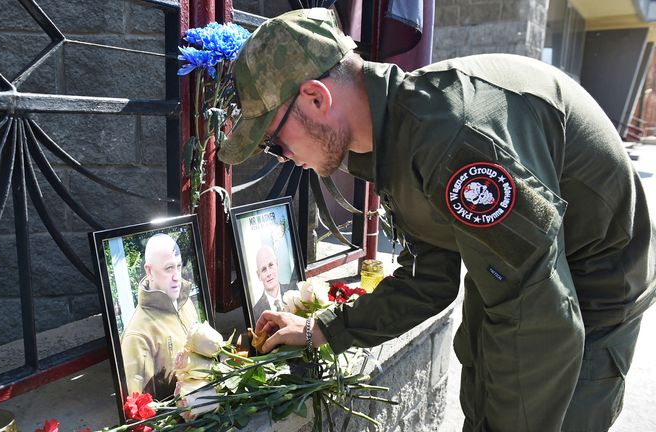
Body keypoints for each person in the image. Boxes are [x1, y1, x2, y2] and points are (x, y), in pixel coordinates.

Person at [218, 8, 656, 432]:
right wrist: (327, 330)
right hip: (533, 277)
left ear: (316, 97)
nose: (285, 158)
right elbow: (429, 278)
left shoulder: (453, 140)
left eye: (275, 141)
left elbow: (539, 319)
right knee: (487, 376)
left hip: (593, 283)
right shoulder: (394, 136)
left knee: (547, 405)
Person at [120, 233, 199, 399]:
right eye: (169, 268)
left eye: (179, 266)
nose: (177, 276)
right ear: (149, 271)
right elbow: (138, 407)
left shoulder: (186, 303)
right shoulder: (137, 335)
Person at [252, 245, 295, 318]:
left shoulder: (294, 291)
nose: (269, 273)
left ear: (277, 265)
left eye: (271, 265)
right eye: (263, 269)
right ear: (259, 275)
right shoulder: (255, 312)